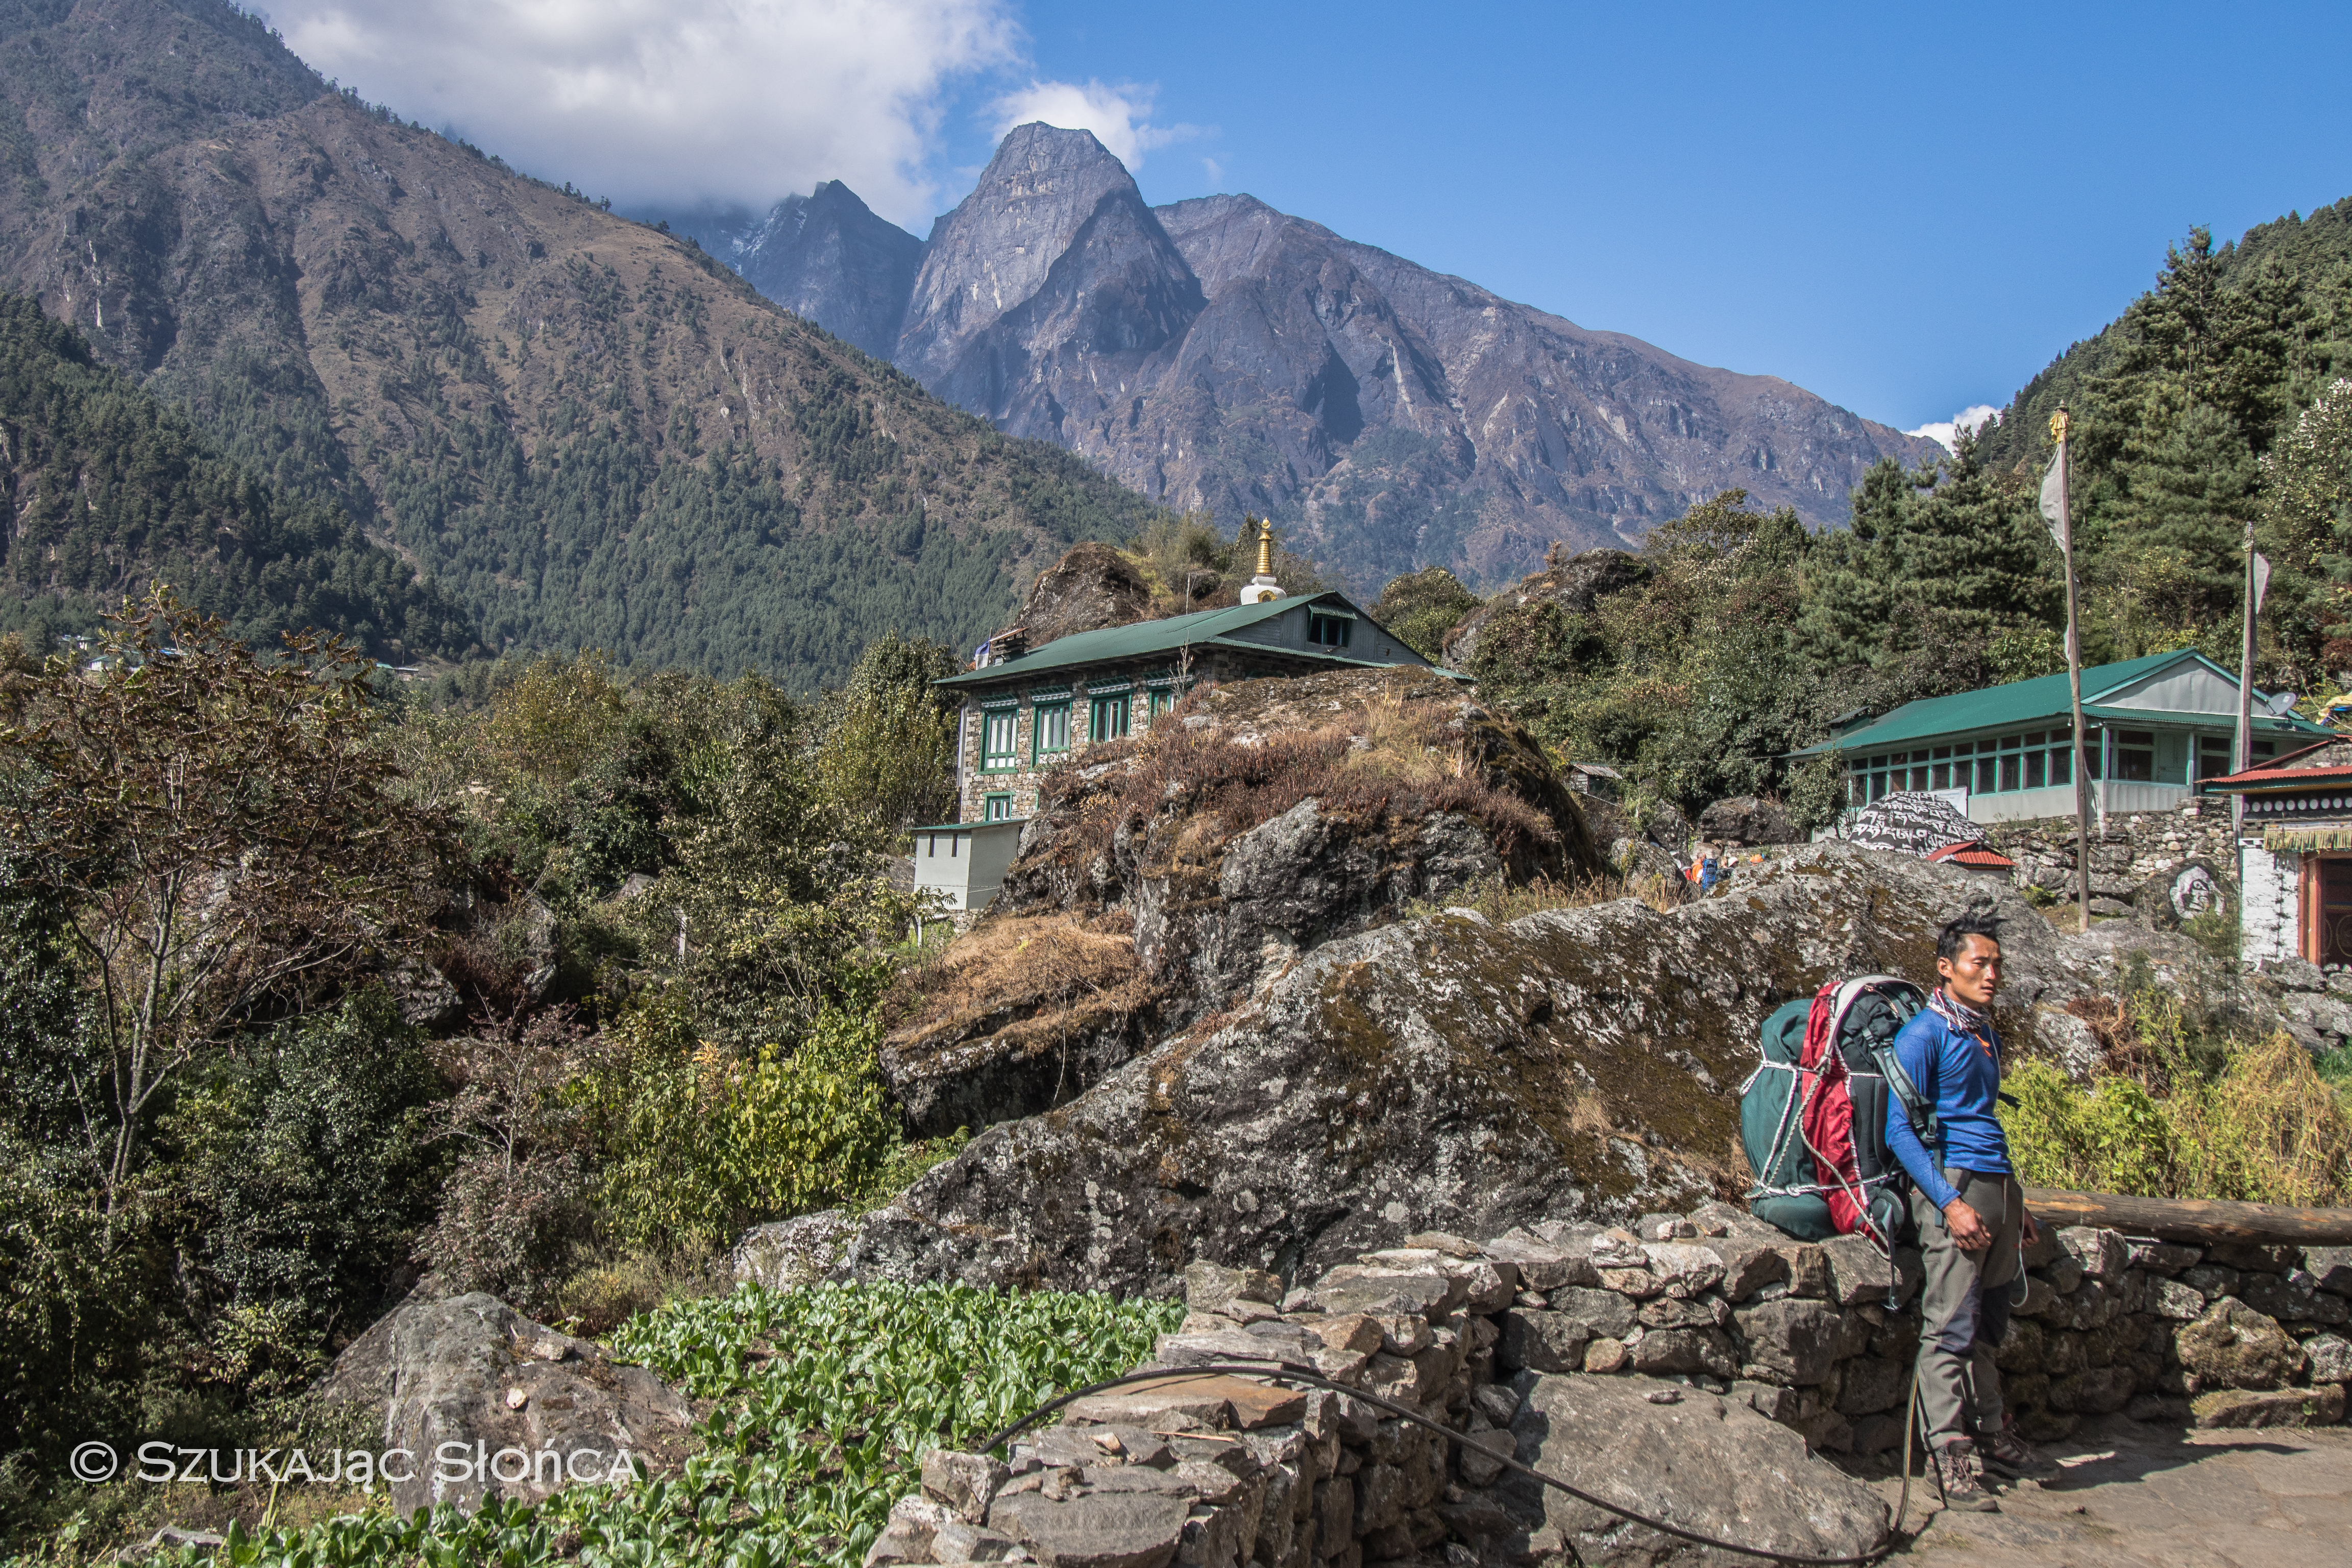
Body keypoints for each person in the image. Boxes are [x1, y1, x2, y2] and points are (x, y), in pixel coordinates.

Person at [1884, 912, 2059, 1511]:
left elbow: (1988, 1119)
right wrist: (1950, 1203)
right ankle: (1948, 1457)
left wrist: (2019, 1203)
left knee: (1988, 1326)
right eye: (1978, 963)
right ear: (1945, 968)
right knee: (1950, 1327)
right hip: (1954, 1185)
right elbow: (1899, 1132)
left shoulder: (1983, 1032)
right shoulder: (1924, 1036)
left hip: (1997, 1187)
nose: (1991, 975)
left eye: (1996, 965)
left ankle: (1991, 1434)